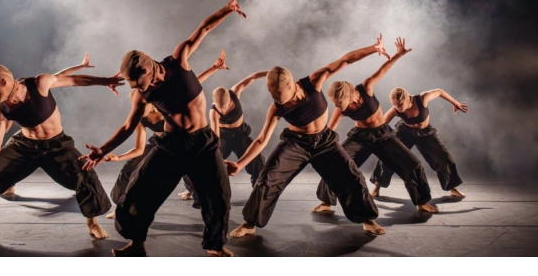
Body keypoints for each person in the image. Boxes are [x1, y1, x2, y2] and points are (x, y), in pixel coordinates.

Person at [82, 0, 247, 258]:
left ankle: (215, 244)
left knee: (218, 197)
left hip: (203, 143)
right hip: (171, 145)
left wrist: (227, 9)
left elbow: (203, 29)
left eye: (140, 83)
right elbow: (128, 126)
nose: (138, 89)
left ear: (150, 70)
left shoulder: (179, 60)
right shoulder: (141, 94)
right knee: (138, 194)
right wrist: (102, 150)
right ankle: (136, 245)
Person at [227, 35, 390, 238]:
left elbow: (346, 60)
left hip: (324, 142)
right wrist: (239, 164)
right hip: (296, 144)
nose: (276, 99)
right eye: (273, 95)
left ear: (290, 85)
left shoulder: (314, 82)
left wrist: (374, 48)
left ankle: (367, 219)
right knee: (267, 179)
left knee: (352, 177)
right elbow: (261, 140)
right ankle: (249, 223)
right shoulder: (276, 108)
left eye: (279, 95)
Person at [0, 59, 123, 240]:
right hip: (24, 146)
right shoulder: (1, 110)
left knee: (86, 176)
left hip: (57, 145)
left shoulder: (39, 84)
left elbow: (74, 80)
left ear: (4, 82)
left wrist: (105, 81)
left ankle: (92, 224)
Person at [313, 37, 438, 215]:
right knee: (336, 165)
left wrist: (397, 55)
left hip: (382, 136)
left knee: (413, 164)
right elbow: (330, 131)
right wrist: (321, 145)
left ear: (350, 94)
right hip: (360, 137)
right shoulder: (341, 108)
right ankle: (325, 202)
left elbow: (383, 69)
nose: (341, 107)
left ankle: (422, 202)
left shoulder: (366, 87)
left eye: (342, 103)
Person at [101, 51, 230, 218]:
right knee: (129, 169)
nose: (140, 108)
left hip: (180, 141)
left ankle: (199, 200)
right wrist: (118, 157)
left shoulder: (165, 104)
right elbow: (139, 149)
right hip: (158, 143)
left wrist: (214, 68)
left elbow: (194, 83)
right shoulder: (140, 117)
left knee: (191, 172)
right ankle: (121, 205)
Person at [0, 53, 100, 199]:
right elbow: (1, 132)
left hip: (55, 142)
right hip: (25, 142)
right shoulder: (5, 106)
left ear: (4, 82)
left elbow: (59, 76)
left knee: (85, 179)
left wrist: (82, 68)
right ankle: (6, 185)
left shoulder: (35, 85)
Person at [178, 69, 269, 204]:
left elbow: (253, 76)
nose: (222, 110)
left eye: (224, 107)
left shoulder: (235, 92)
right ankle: (193, 190)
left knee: (258, 160)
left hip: (240, 135)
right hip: (224, 138)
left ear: (230, 100)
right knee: (205, 163)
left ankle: (259, 192)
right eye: (219, 107)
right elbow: (216, 136)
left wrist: (270, 73)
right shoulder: (214, 112)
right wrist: (215, 155)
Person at [369, 84, 469, 199]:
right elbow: (381, 123)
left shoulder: (422, 98)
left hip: (425, 134)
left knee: (443, 158)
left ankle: (452, 188)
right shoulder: (395, 110)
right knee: (390, 156)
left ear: (407, 98)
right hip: (405, 133)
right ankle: (377, 186)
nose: (397, 107)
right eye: (394, 104)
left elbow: (439, 91)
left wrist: (455, 103)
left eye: (400, 104)